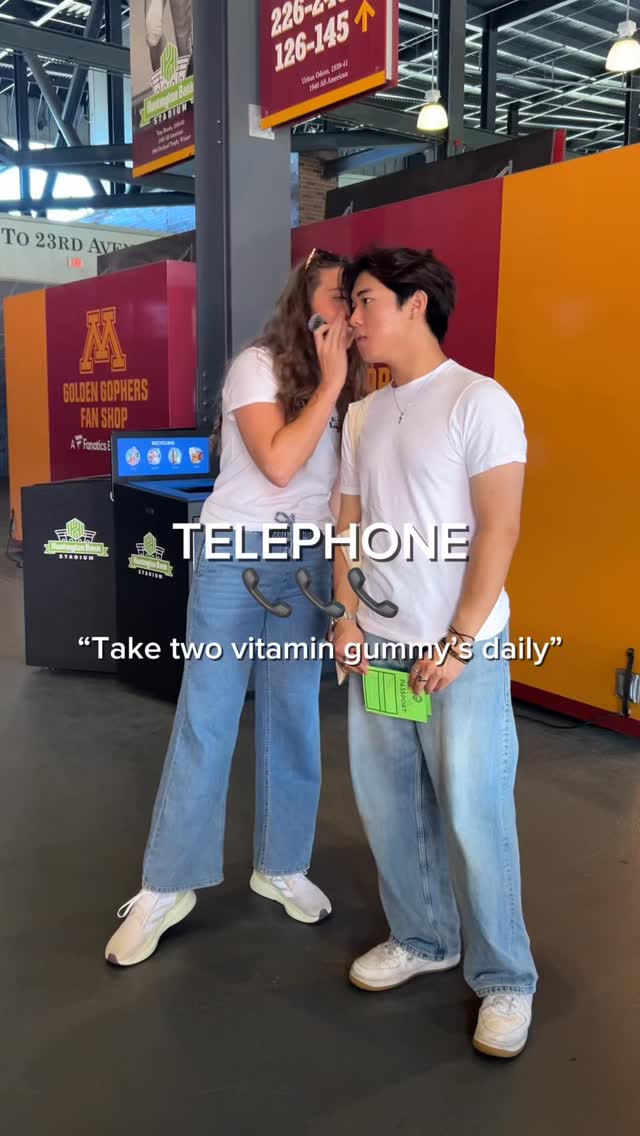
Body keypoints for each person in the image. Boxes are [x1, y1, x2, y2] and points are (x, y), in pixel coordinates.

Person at [106, 249, 363, 967]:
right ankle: (167, 885)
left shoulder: (348, 388)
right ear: (305, 302)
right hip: (236, 555)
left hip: (306, 562)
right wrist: (333, 382)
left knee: (294, 715)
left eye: (356, 300)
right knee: (209, 715)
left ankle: (281, 865)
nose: (349, 312)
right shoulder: (257, 367)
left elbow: (338, 491)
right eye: (339, 297)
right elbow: (278, 463)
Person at [332, 247, 538, 1059]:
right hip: (383, 651)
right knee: (392, 805)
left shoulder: (478, 401)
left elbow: (499, 528)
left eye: (365, 301)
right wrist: (347, 616)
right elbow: (349, 524)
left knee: (476, 813)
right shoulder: (362, 415)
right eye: (352, 304)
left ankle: (506, 978)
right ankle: (424, 938)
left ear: (415, 304)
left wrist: (458, 640)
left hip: (461, 654)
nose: (352, 318)